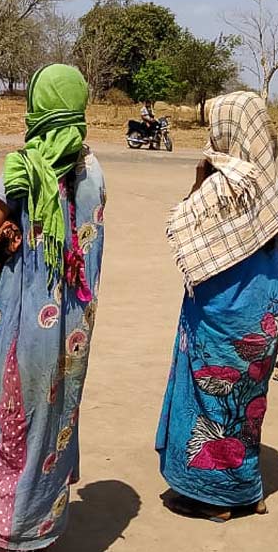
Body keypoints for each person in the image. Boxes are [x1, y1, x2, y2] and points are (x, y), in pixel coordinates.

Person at [0, 65, 106, 550]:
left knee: (11, 423)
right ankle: (41, 526)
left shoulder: (23, 167)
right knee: (52, 423)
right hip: (70, 330)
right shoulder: (94, 172)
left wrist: (6, 242)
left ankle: (8, 529)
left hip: (20, 329)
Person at [156, 91, 278, 522]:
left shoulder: (222, 183)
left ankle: (215, 498)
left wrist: (201, 176)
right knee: (247, 400)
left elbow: (187, 223)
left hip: (219, 312)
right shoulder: (272, 183)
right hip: (263, 314)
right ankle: (249, 491)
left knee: (211, 400)